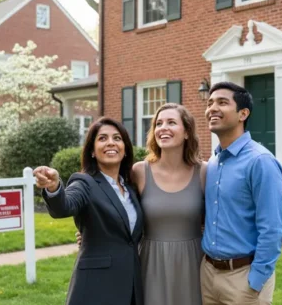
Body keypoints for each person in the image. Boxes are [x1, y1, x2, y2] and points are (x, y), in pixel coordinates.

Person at [33, 117, 144, 305]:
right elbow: (65, 205)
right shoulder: (85, 183)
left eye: (117, 138)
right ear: (92, 151)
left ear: (125, 149)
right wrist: (54, 188)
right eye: (102, 138)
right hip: (95, 286)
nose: (111, 142)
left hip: (131, 286)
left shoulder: (132, 188)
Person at [201, 82, 282, 305]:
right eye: (209, 103)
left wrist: (256, 280)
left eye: (222, 102)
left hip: (244, 279)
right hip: (208, 275)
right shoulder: (212, 162)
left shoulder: (261, 161)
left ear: (243, 113)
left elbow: (273, 229)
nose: (212, 108)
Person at [132, 103, 206, 305]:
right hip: (150, 261)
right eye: (158, 123)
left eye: (171, 122)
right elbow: (117, 207)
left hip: (193, 263)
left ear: (187, 132)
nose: (163, 128)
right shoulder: (139, 171)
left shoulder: (204, 172)